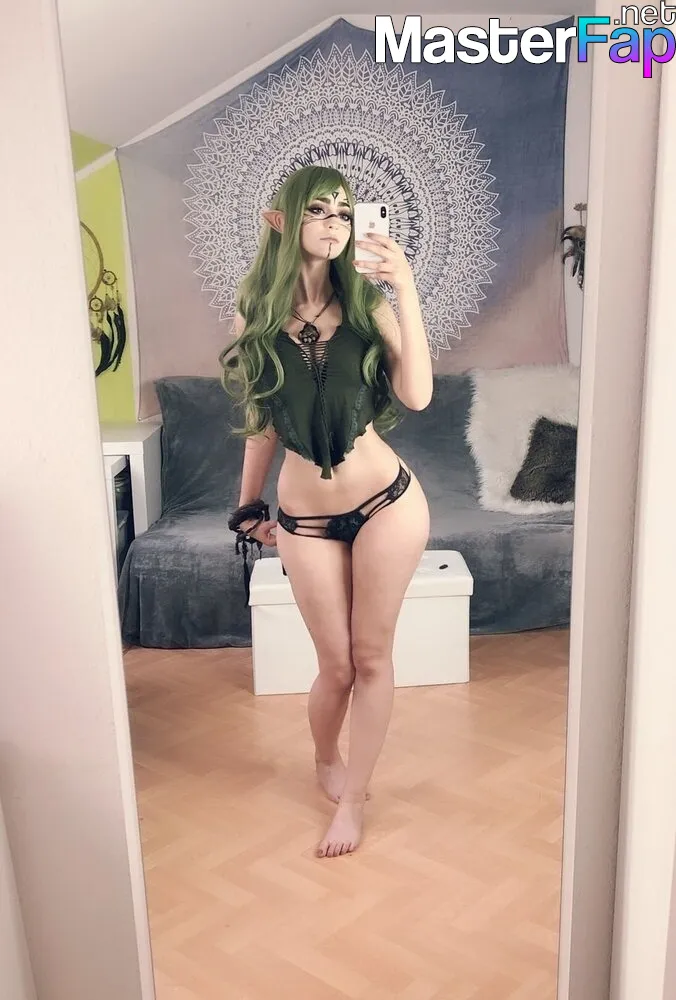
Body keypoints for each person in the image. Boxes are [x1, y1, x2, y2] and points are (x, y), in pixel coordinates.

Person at [220, 165, 432, 859]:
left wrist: (404, 288)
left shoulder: (367, 307)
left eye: (344, 211)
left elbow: (417, 395)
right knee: (335, 667)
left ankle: (355, 800)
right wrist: (246, 506)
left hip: (387, 502)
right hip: (305, 519)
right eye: (318, 210)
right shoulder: (255, 318)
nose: (335, 223)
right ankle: (323, 758)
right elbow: (264, 423)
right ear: (281, 221)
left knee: (372, 658)